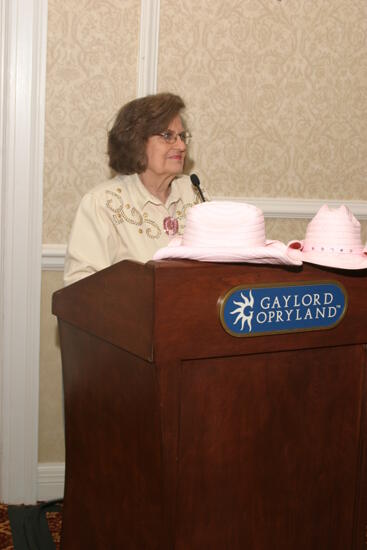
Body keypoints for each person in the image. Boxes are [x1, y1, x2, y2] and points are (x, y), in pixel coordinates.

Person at [63, 92, 207, 286]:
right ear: (136, 142)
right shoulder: (102, 204)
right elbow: (80, 289)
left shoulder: (194, 192)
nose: (181, 146)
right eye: (168, 136)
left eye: (182, 136)